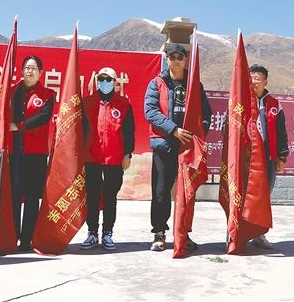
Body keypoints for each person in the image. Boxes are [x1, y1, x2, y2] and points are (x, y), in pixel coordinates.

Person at [144, 43, 212, 252]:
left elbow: (205, 114)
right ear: (167, 59)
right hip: (164, 145)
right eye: (171, 56)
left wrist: (197, 136)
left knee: (186, 193)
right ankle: (159, 233)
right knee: (161, 192)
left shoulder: (194, 85)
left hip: (188, 148)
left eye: (179, 57)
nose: (175, 60)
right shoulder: (156, 83)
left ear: (185, 60)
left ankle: (183, 233)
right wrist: (174, 130)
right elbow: (151, 111)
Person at [79, 67, 135, 251]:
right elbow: (80, 131)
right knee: (92, 196)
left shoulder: (124, 104)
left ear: (115, 82)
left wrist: (127, 154)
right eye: (101, 79)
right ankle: (92, 233)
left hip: (114, 158)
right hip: (91, 157)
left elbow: (129, 131)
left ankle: (108, 233)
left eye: (108, 79)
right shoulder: (87, 102)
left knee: (110, 196)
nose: (104, 82)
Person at [9, 55, 56, 252]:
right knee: (13, 194)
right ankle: (11, 236)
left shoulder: (47, 95)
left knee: (31, 196)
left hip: (35, 153)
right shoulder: (12, 92)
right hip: (14, 151)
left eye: (34, 68)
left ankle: (27, 238)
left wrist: (20, 126)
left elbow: (43, 117)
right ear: (22, 70)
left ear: (40, 73)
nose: (30, 71)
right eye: (27, 68)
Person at [248, 64, 289, 249]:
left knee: (263, 198)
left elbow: (282, 133)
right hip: (246, 160)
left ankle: (258, 234)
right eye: (252, 78)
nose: (254, 82)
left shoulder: (274, 104)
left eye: (258, 78)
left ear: (266, 81)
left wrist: (282, 157)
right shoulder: (240, 101)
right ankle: (237, 233)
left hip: (268, 159)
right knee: (243, 197)